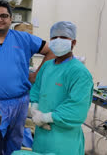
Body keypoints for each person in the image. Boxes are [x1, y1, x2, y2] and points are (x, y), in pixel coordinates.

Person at [0, 0, 55, 155]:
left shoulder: (24, 38)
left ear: (11, 18)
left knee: (15, 143)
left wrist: (36, 75)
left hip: (19, 102)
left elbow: (51, 51)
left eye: (4, 16)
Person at [29, 21, 93, 155]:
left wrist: (46, 117)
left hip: (63, 138)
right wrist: (34, 109)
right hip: (41, 135)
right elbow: (36, 90)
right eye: (54, 38)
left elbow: (77, 108)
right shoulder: (47, 66)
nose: (58, 41)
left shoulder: (79, 72)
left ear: (73, 42)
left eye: (63, 37)